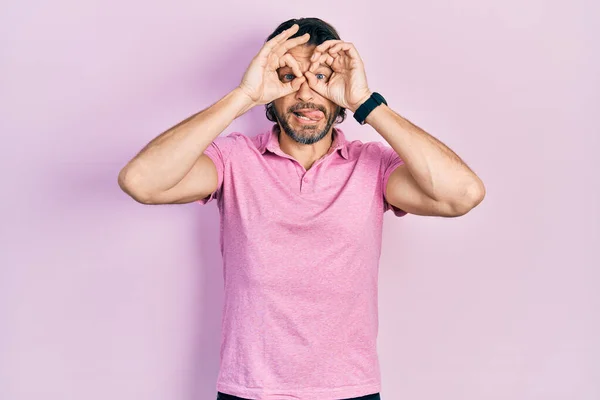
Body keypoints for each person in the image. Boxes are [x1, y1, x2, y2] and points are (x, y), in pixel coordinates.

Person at [118, 17, 485, 400]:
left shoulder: (371, 166)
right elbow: (141, 181)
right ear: (271, 93)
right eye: (289, 77)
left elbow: (462, 194)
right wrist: (244, 94)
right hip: (250, 391)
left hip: (349, 391)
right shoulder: (234, 159)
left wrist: (365, 102)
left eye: (323, 77)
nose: (306, 94)